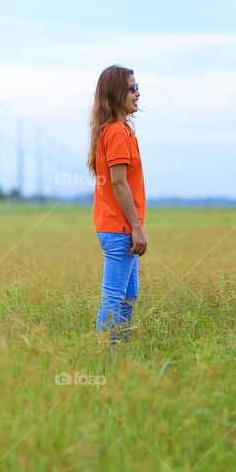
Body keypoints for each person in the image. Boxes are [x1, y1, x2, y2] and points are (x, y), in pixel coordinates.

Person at [87, 65, 146, 344]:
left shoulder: (116, 131)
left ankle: (117, 355)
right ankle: (104, 357)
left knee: (127, 297)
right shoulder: (116, 133)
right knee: (114, 298)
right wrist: (136, 227)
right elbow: (119, 183)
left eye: (137, 88)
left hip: (118, 228)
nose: (137, 94)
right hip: (119, 229)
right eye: (132, 88)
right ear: (115, 93)